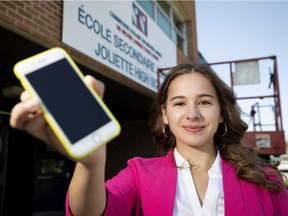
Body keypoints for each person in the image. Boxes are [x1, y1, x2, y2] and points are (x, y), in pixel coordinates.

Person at [10, 63, 288, 216]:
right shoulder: (139, 173)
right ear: (165, 115)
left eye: (204, 102)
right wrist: (91, 163)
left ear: (222, 114)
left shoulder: (268, 181)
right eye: (179, 104)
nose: (192, 114)